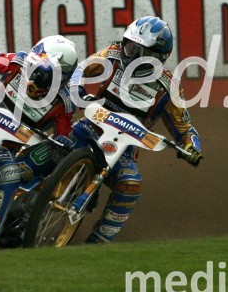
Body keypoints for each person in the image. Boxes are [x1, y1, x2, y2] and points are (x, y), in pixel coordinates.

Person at [69, 16, 203, 243]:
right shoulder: (112, 54)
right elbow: (80, 69)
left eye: (143, 53)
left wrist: (192, 147)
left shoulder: (169, 87)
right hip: (88, 129)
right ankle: (22, 200)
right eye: (130, 47)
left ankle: (99, 241)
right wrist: (78, 90)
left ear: (159, 58)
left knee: (130, 184)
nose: (132, 55)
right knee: (55, 147)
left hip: (123, 150)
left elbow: (185, 127)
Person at [0, 35, 80, 251]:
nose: (40, 77)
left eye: (51, 74)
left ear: (64, 77)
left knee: (9, 175)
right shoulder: (16, 61)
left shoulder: (64, 102)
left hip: (5, 149)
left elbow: (64, 136)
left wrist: (63, 143)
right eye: (38, 69)